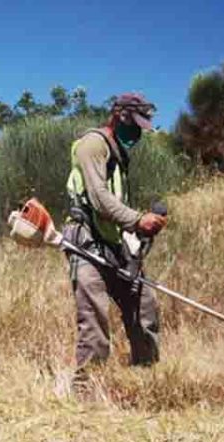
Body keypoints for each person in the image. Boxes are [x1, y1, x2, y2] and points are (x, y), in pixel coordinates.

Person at [63, 93, 167, 375]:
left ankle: (147, 374)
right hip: (86, 242)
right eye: (134, 125)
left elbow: (114, 202)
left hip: (114, 243)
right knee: (94, 318)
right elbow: (98, 198)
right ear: (119, 116)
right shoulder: (93, 144)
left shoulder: (119, 154)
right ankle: (88, 390)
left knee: (144, 303)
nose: (137, 133)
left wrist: (134, 233)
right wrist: (137, 220)